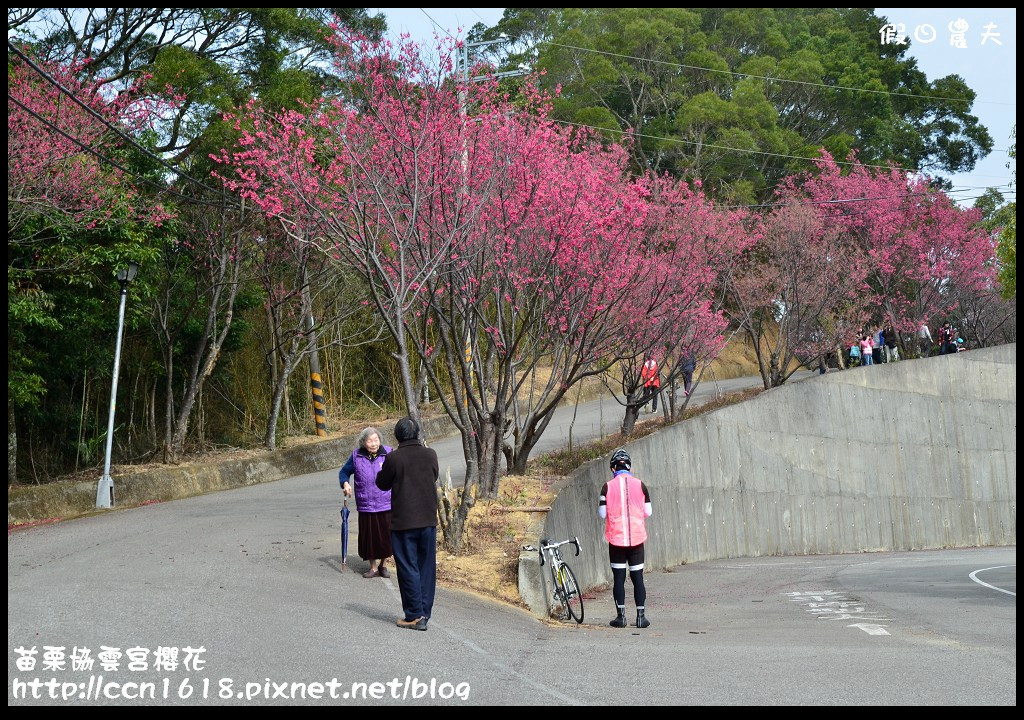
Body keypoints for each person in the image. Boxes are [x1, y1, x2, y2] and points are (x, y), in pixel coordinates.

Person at [375, 417, 439, 632]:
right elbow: (434, 476)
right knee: (426, 567)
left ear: (397, 435)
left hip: (404, 521)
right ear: (417, 433)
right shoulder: (431, 454)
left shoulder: (394, 458)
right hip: (428, 519)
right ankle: (424, 613)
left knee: (408, 567)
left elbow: (381, 483)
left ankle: (414, 615)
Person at [599, 449, 653, 629]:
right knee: (638, 578)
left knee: (619, 578)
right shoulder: (641, 485)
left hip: (616, 539)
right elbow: (648, 512)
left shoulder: (607, 486)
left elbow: (601, 514)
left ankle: (620, 617)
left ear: (613, 468)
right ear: (629, 466)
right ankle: (640, 618)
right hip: (637, 540)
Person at [339, 427, 393, 579]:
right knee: (369, 538)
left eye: (376, 440)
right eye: (370, 441)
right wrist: (345, 483)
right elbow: (344, 472)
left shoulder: (388, 453)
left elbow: (398, 472)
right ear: (363, 442)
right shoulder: (356, 456)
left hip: (386, 502)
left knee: (386, 537)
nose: (374, 444)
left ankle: (383, 565)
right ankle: (373, 567)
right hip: (366, 504)